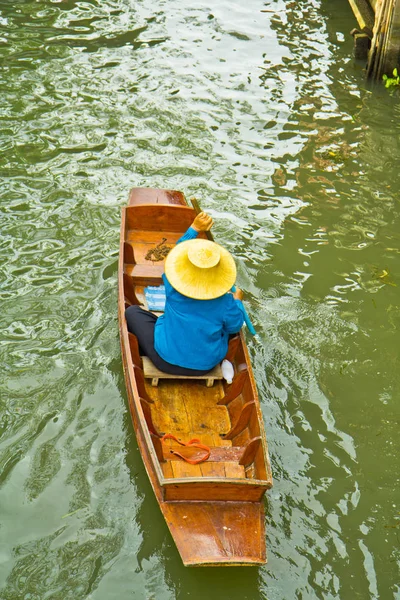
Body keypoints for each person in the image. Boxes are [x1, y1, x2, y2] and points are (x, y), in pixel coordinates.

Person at [125, 212, 246, 375]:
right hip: (206, 366)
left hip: (164, 360)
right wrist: (238, 301)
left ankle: (142, 352)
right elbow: (234, 326)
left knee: (132, 312)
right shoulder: (226, 302)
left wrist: (194, 228)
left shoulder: (172, 286)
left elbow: (176, 256)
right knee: (227, 327)